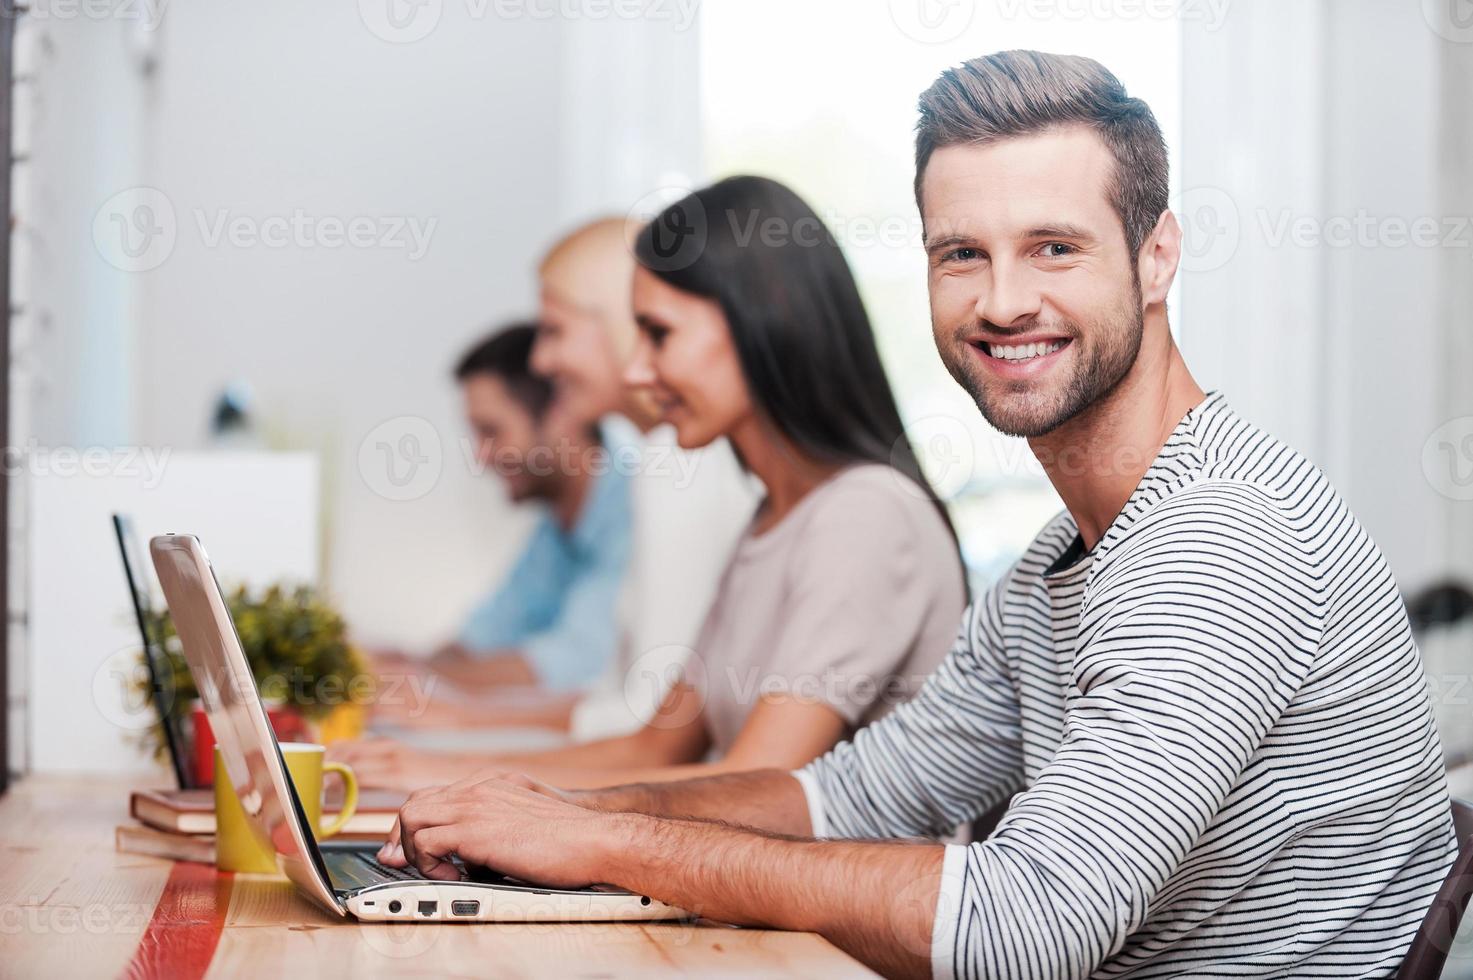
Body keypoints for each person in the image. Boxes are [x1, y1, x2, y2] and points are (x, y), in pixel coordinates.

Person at [376, 51, 1457, 979]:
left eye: (1055, 247)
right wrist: (575, 818)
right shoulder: (1055, 565)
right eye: (960, 254)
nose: (1000, 301)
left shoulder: (1222, 537)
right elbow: (852, 792)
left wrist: (604, 845)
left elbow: (1026, 925)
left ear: (1158, 254)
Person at [344, 176, 967, 792]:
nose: (637, 369)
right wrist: (435, 773)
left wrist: (496, 801)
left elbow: (754, 788)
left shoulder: (866, 516)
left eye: (659, 335)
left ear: (760, 326)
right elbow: (657, 745)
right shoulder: (771, 520)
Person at [372, 323, 633, 720]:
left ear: (562, 413)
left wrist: (411, 677)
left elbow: (576, 663)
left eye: (491, 431)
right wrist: (400, 664)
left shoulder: (636, 505)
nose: (480, 456)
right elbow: (485, 635)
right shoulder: (558, 523)